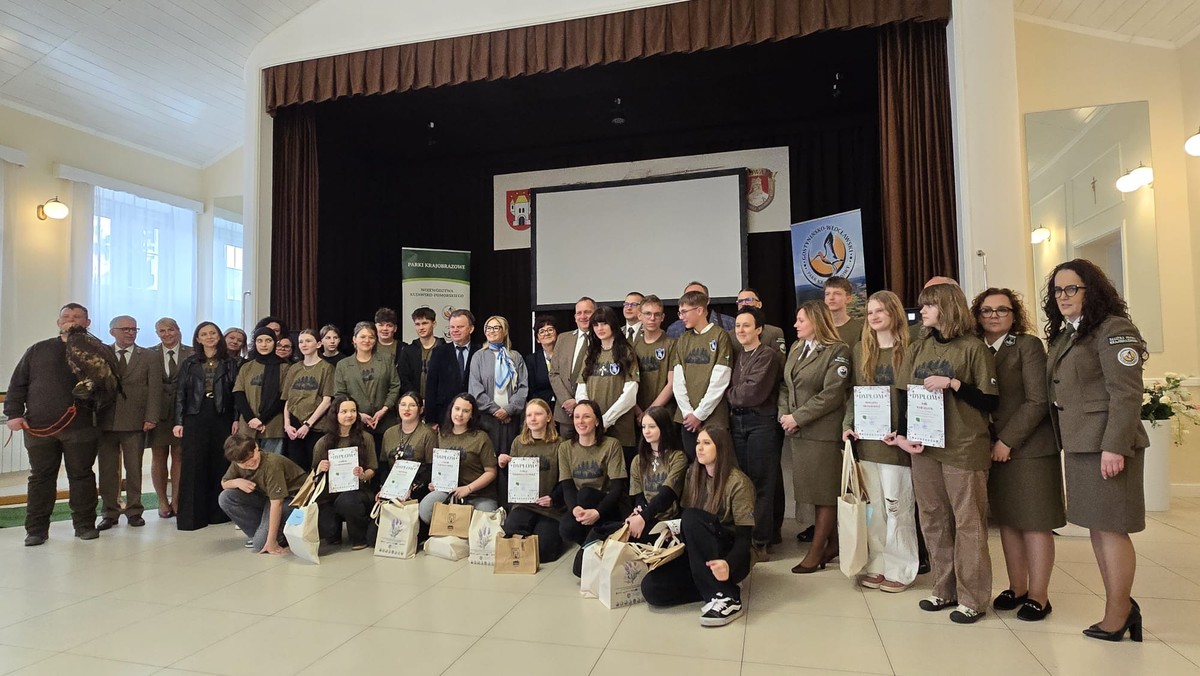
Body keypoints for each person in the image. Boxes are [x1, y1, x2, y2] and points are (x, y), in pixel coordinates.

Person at [1045, 259, 1148, 642]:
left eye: (1072, 289)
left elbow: (1126, 393)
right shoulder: (1071, 333)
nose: (1063, 296)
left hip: (1107, 446)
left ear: (1092, 290)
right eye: (1057, 290)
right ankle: (1119, 604)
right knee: (1098, 529)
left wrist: (1114, 447)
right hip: (1079, 444)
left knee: (1113, 529)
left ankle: (1119, 612)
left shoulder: (1114, 329)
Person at [886, 282, 997, 624]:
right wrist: (904, 436)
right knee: (932, 518)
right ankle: (943, 588)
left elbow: (990, 400)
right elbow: (904, 394)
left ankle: (973, 598)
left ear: (947, 308)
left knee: (968, 522)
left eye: (929, 306)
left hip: (963, 446)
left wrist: (953, 384)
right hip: (925, 446)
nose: (923, 312)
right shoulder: (919, 347)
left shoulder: (973, 348)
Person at [971, 287, 1064, 621]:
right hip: (989, 448)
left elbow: (1037, 400)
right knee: (1008, 522)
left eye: (1002, 309)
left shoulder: (1027, 345)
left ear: (1014, 314)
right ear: (977, 315)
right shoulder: (975, 348)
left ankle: (1039, 596)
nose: (994, 315)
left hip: (1028, 449)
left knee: (1034, 524)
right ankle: (1017, 587)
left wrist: (1007, 441)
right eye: (987, 310)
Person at [4, 303, 113, 545]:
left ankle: (84, 525)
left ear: (87, 323)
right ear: (58, 322)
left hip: (82, 427)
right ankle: (36, 530)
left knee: (81, 476)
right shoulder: (37, 350)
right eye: (66, 316)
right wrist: (13, 413)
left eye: (77, 317)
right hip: (40, 428)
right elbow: (18, 384)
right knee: (40, 478)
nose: (71, 320)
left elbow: (110, 390)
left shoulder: (98, 351)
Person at [641, 427, 754, 627]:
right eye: (698, 443)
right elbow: (686, 520)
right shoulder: (694, 473)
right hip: (698, 557)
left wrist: (728, 564)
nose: (699, 448)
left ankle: (728, 597)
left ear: (721, 448)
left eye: (707, 443)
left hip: (728, 554)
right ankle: (710, 590)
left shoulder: (739, 483)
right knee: (651, 588)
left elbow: (745, 538)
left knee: (691, 516)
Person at [842, 291, 917, 592]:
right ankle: (877, 564)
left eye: (880, 311)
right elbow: (854, 394)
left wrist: (906, 433)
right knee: (874, 510)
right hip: (868, 441)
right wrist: (848, 425)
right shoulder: (862, 349)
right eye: (870, 312)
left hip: (897, 443)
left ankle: (902, 568)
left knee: (898, 506)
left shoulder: (912, 348)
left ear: (894, 313)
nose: (873, 317)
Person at [779, 301, 852, 574]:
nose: (795, 325)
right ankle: (832, 543)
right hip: (798, 433)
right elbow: (786, 386)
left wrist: (798, 418)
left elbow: (832, 394)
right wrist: (785, 414)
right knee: (812, 492)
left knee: (824, 495)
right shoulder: (797, 348)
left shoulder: (838, 351)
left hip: (821, 433)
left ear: (817, 322)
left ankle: (817, 551)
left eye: (801, 320)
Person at [726, 307, 783, 558]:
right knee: (745, 481)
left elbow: (751, 393)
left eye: (746, 325)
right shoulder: (738, 354)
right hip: (738, 424)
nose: (740, 330)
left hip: (761, 424)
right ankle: (747, 536)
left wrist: (727, 394)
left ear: (759, 329)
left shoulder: (767, 355)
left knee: (762, 482)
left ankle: (761, 540)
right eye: (738, 325)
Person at [173, 321, 240, 531]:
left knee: (219, 462)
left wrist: (236, 418)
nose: (209, 337)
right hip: (195, 415)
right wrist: (178, 421)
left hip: (222, 415)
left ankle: (218, 514)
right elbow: (180, 394)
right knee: (193, 464)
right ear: (198, 338)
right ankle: (192, 517)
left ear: (219, 336)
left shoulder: (230, 362)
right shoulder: (190, 363)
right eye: (204, 334)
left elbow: (237, 393)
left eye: (213, 333)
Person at [97, 315, 162, 530]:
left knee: (134, 468)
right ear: (112, 331)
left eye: (134, 329)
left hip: (135, 421)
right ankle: (109, 512)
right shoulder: (102, 354)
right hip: (105, 421)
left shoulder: (149, 356)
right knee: (107, 470)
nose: (130, 333)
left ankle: (134, 510)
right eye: (125, 329)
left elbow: (154, 390)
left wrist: (151, 416)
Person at [558, 400, 628, 558]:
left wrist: (598, 512)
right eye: (576, 417)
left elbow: (618, 488)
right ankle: (591, 545)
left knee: (585, 494)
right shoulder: (565, 448)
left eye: (586, 417)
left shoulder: (611, 445)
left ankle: (599, 542)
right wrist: (574, 509)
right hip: (581, 506)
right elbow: (567, 485)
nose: (580, 421)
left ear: (597, 421)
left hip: (608, 506)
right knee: (566, 529)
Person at [500, 399, 566, 563]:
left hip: (550, 508)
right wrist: (504, 466)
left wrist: (553, 498)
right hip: (524, 504)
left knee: (543, 553)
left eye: (538, 414)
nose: (533, 418)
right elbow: (514, 479)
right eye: (529, 415)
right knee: (510, 529)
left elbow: (566, 479)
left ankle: (549, 534)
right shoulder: (518, 443)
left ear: (549, 417)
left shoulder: (560, 444)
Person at [218, 435, 309, 554]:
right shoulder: (238, 461)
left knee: (260, 544)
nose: (250, 463)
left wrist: (271, 542)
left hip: (292, 499)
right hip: (267, 498)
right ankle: (260, 534)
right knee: (226, 497)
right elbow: (224, 482)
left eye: (252, 457)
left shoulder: (272, 464)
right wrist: (236, 482)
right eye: (243, 463)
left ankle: (276, 537)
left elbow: (277, 503)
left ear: (256, 447)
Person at [671, 289, 735, 458]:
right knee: (692, 466)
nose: (681, 317)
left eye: (684, 312)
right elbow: (678, 380)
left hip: (713, 417)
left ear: (699, 310)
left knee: (716, 465)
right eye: (680, 312)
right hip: (686, 418)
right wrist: (688, 413)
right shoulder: (683, 339)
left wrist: (700, 414)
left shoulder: (720, 335)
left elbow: (720, 380)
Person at [418, 393, 499, 523]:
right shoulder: (441, 435)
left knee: (484, 520)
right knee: (426, 510)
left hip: (480, 495)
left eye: (465, 411)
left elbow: (491, 472)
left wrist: (468, 488)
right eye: (457, 409)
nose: (460, 414)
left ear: (472, 415)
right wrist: (436, 484)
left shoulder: (481, 437)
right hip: (450, 493)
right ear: (451, 410)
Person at [576, 306, 639, 467]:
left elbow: (630, 396)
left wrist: (604, 421)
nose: (599, 328)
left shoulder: (626, 352)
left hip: (620, 429)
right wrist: (591, 420)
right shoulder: (590, 353)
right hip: (593, 430)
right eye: (596, 325)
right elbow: (581, 391)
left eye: (603, 324)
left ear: (613, 325)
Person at [312, 395, 378, 549]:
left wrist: (363, 474)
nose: (349, 415)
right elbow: (314, 475)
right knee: (328, 532)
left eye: (353, 411)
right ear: (335, 414)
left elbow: (372, 469)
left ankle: (359, 537)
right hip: (330, 493)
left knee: (347, 501)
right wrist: (320, 468)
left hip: (358, 491)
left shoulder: (366, 438)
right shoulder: (323, 442)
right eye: (344, 411)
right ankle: (334, 531)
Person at [622, 406, 688, 540]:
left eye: (652, 427)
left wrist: (643, 517)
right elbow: (639, 496)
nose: (646, 431)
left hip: (670, 521)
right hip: (647, 516)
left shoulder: (678, 457)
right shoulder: (638, 460)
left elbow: (667, 494)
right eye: (644, 427)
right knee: (616, 531)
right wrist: (639, 510)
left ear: (663, 428)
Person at [470, 315, 529, 464]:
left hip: (511, 419)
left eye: (496, 327)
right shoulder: (478, 357)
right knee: (489, 460)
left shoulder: (515, 357)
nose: (492, 331)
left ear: (505, 331)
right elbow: (475, 389)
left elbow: (523, 387)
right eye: (488, 328)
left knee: (510, 459)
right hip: (487, 419)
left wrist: (508, 410)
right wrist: (496, 410)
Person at [334, 321, 401, 451]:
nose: (367, 340)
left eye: (371, 337)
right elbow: (340, 394)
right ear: (354, 339)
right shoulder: (343, 365)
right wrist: (358, 414)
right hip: (355, 423)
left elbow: (395, 386)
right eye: (362, 337)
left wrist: (384, 410)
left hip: (385, 421)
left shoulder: (386, 360)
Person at [149, 317, 192, 518]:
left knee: (179, 456)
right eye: (162, 331)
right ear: (157, 333)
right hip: (157, 412)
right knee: (158, 456)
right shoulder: (149, 354)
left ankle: (176, 499)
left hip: (182, 412)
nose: (167, 334)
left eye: (171, 330)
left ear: (178, 330)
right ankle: (161, 500)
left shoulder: (191, 353)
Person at [282, 329, 335, 471]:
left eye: (308, 341)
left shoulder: (327, 368)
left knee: (314, 464)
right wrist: (287, 424)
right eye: (300, 342)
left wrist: (308, 425)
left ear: (318, 344)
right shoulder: (294, 368)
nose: (304, 344)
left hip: (315, 425)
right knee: (296, 466)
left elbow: (327, 400)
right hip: (294, 424)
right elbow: (287, 399)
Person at [233, 328, 289, 455]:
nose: (264, 345)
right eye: (260, 341)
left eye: (268, 341)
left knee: (271, 465)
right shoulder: (246, 367)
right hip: (248, 425)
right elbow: (238, 393)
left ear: (275, 343)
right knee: (247, 464)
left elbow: (283, 397)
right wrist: (251, 419)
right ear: (255, 343)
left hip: (272, 425)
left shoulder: (285, 367)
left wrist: (262, 419)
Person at [424, 309, 481, 428]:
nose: (455, 330)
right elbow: (431, 387)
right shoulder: (439, 352)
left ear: (471, 329)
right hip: (444, 417)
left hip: (475, 417)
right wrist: (431, 420)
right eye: (452, 327)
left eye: (459, 327)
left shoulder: (480, 352)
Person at [549, 297, 595, 438]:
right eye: (579, 313)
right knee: (567, 454)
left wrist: (581, 403)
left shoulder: (603, 339)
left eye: (588, 312)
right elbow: (554, 373)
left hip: (592, 412)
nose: (583, 316)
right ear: (575, 317)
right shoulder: (563, 339)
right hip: (565, 413)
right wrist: (567, 401)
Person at [378, 392, 435, 504]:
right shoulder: (389, 433)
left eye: (412, 405)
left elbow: (430, 469)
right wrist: (385, 489)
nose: (406, 409)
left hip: (418, 490)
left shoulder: (428, 434)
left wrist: (411, 489)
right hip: (392, 488)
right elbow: (383, 465)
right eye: (403, 405)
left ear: (421, 409)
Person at [632, 295, 676, 422]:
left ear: (662, 317)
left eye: (657, 315)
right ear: (639, 316)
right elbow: (626, 383)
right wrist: (639, 412)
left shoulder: (671, 344)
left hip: (663, 414)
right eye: (648, 314)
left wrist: (649, 412)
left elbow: (671, 384)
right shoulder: (632, 346)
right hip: (637, 415)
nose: (652, 318)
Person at [398, 307, 443, 399]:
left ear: (434, 324)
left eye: (425, 323)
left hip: (439, 403)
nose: (421, 328)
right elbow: (403, 379)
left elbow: (447, 380)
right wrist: (416, 399)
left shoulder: (444, 349)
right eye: (417, 324)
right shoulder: (408, 350)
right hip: (413, 403)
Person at [666, 281, 736, 339]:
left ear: (707, 300)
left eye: (698, 296)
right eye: (688, 297)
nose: (692, 300)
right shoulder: (674, 329)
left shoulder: (728, 323)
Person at [734, 288, 786, 353]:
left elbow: (780, 361)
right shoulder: (731, 335)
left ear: (759, 304)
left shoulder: (773, 332)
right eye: (740, 301)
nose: (744, 304)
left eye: (748, 300)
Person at [524, 315, 557, 409]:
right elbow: (531, 391)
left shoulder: (565, 355)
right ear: (537, 339)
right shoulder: (532, 360)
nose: (546, 333)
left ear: (556, 333)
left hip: (564, 407)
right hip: (542, 407)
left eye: (550, 329)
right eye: (542, 331)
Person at [825, 277, 863, 346]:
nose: (831, 298)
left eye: (837, 293)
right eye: (827, 294)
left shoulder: (859, 328)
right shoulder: (819, 328)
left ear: (848, 299)